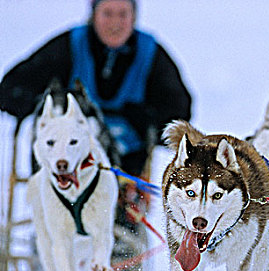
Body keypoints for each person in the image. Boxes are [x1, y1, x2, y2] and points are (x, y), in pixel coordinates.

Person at [0, 0, 192, 177]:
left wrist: (150, 119)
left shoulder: (150, 53)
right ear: (94, 15)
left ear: (133, 17)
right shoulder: (70, 45)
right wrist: (25, 101)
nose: (115, 23)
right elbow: (14, 85)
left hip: (124, 159)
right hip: (65, 154)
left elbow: (178, 107)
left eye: (123, 14)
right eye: (107, 14)